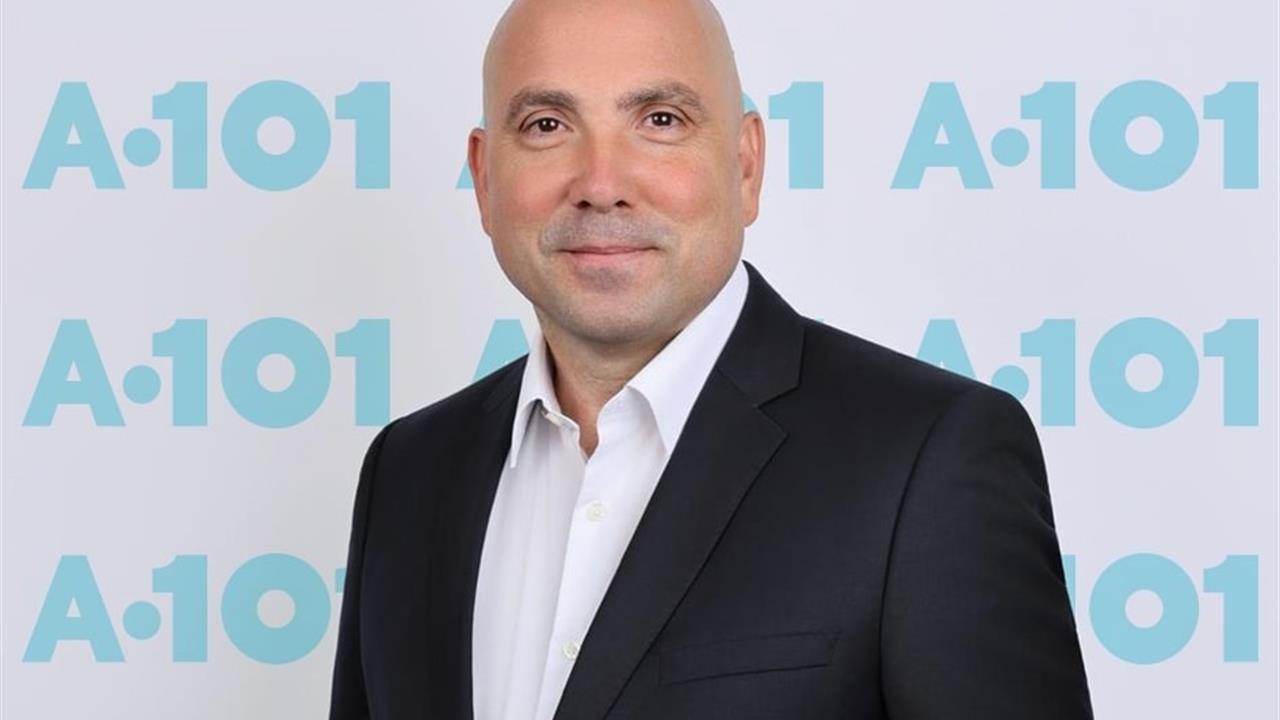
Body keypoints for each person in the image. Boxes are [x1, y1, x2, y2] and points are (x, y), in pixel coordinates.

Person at [328, 0, 1093, 717]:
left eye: (660, 120)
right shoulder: (408, 471)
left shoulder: (929, 459)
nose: (601, 184)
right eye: (547, 124)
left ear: (746, 165)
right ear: (485, 177)